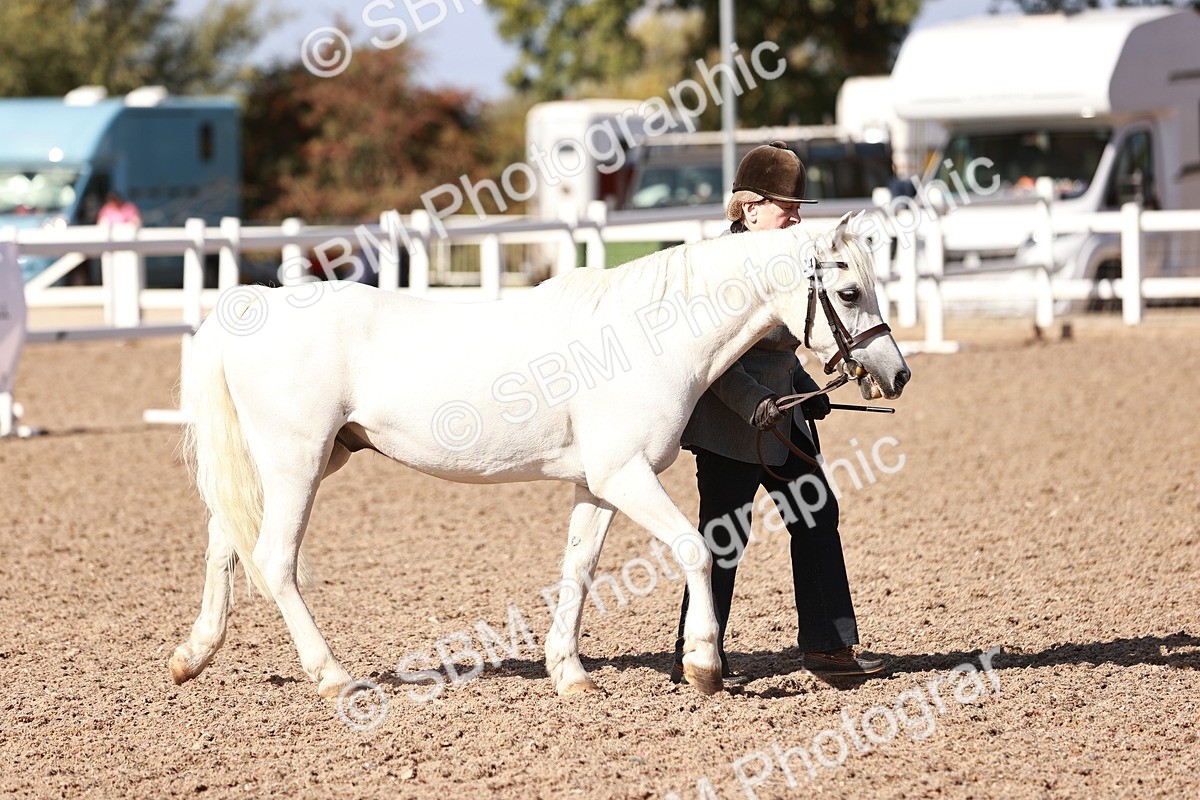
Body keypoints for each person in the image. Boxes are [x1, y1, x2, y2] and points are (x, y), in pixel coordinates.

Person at [670, 141, 883, 687]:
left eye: (796, 207)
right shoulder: (717, 266)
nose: (793, 216)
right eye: (783, 205)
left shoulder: (788, 260)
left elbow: (785, 347)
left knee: (817, 513)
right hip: (728, 427)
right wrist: (751, 403)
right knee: (723, 537)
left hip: (785, 423)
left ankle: (829, 647)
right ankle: (694, 654)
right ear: (748, 209)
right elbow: (709, 359)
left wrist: (807, 389)